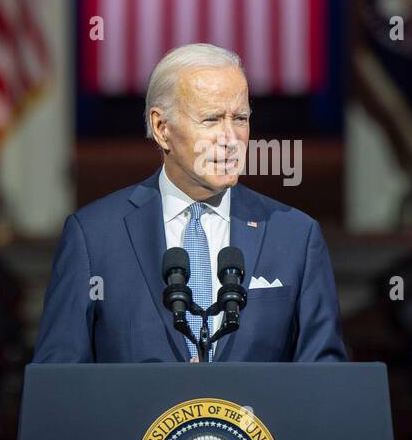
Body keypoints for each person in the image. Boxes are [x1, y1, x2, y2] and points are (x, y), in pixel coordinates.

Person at [33, 43, 347, 363]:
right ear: (161, 128)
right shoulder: (94, 237)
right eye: (211, 119)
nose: (230, 137)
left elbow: (325, 382)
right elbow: (59, 384)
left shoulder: (295, 236)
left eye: (239, 118)